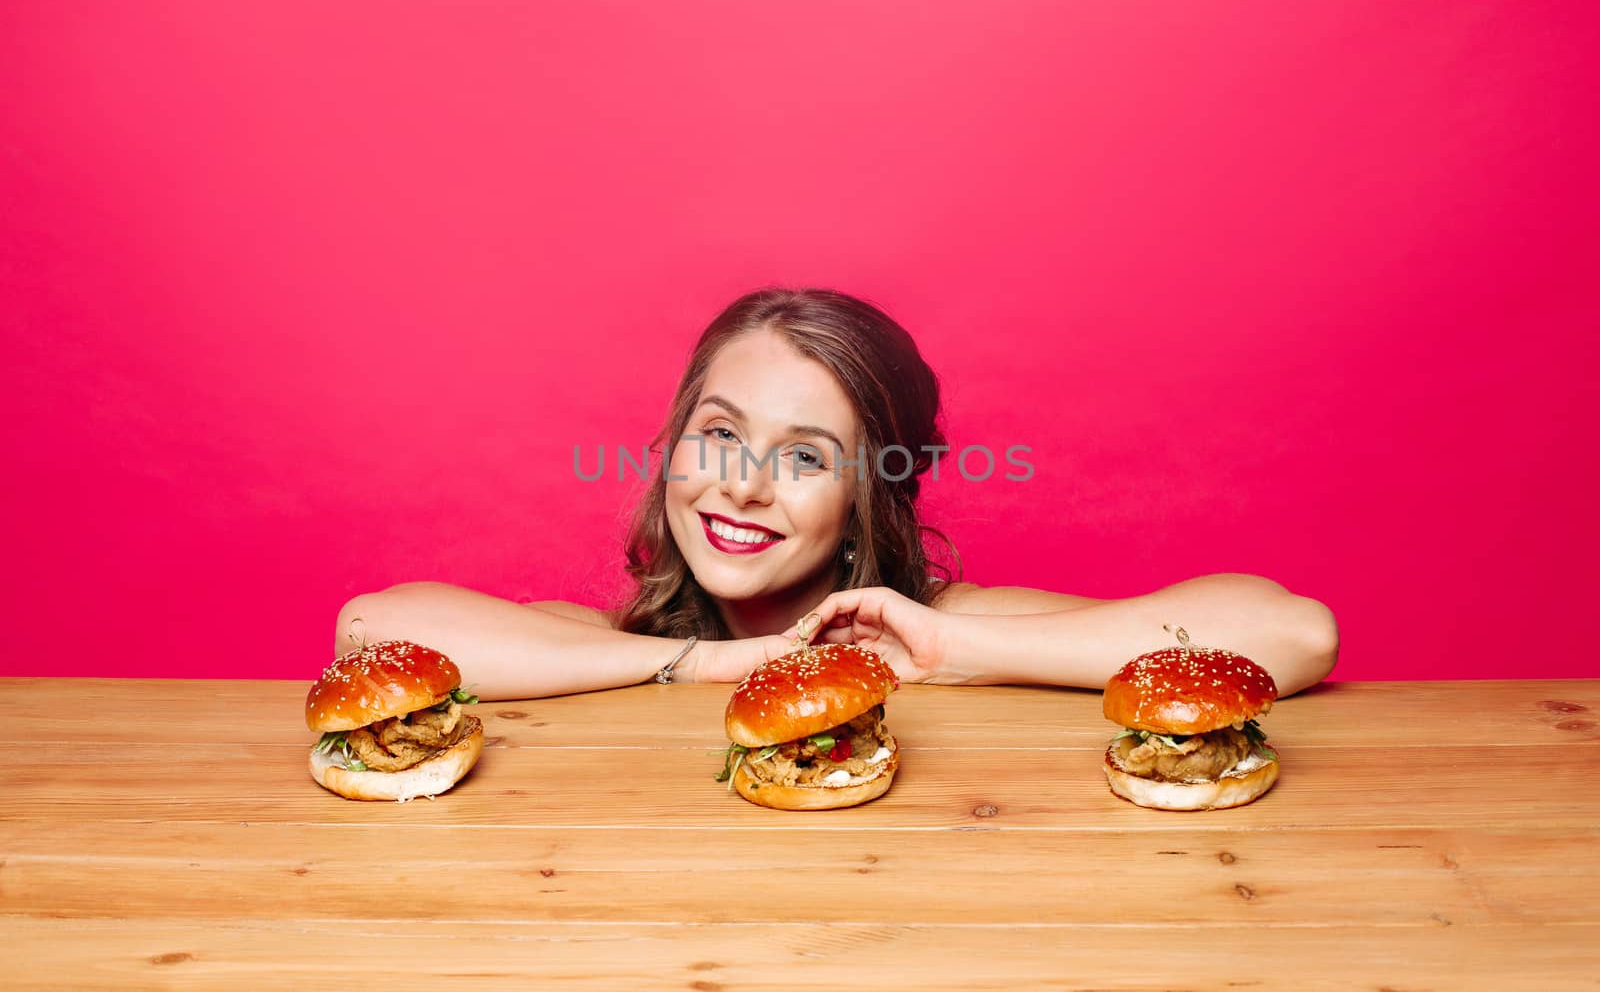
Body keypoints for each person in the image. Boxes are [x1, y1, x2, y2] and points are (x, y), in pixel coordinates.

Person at [334, 287, 1338, 699]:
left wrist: (955, 652)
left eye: (807, 456)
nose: (744, 483)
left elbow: (1290, 630)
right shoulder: (619, 653)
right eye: (719, 433)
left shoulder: (952, 633)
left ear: (874, 491)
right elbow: (373, 624)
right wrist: (718, 663)